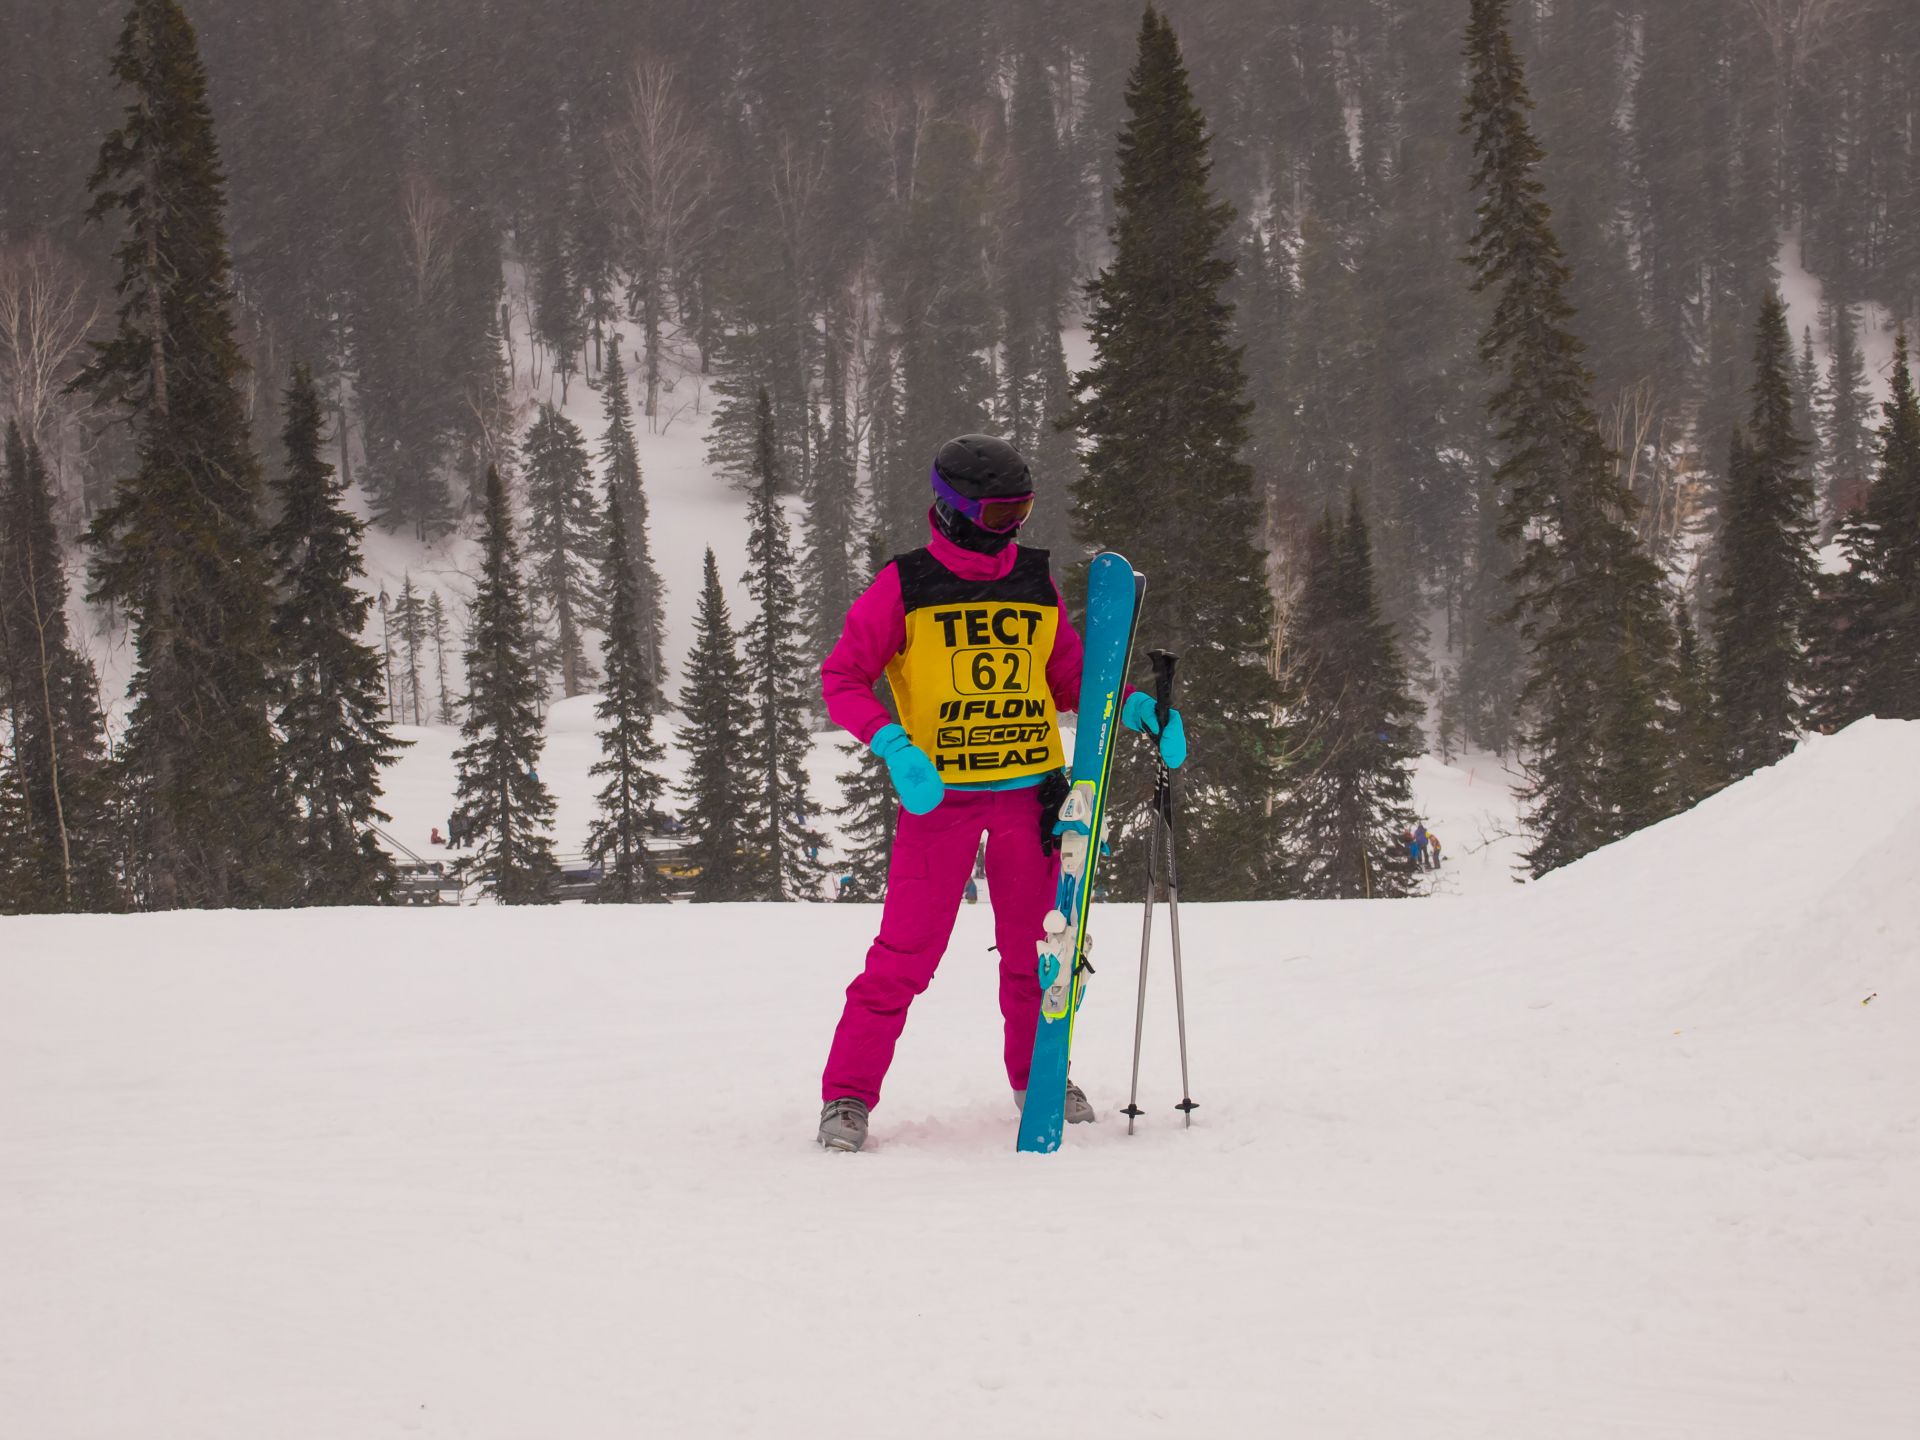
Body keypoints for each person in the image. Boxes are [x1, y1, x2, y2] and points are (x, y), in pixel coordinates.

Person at [814, 435, 1187, 1153]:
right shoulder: (906, 584)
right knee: (904, 957)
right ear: (954, 511)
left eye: (1022, 511)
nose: (1010, 528)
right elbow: (842, 678)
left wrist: (1138, 709)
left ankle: (1039, 1078)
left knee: (1040, 953)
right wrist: (891, 744)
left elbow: (1071, 677)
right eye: (997, 514)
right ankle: (847, 1095)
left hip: (1030, 800)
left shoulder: (1034, 583)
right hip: (941, 803)